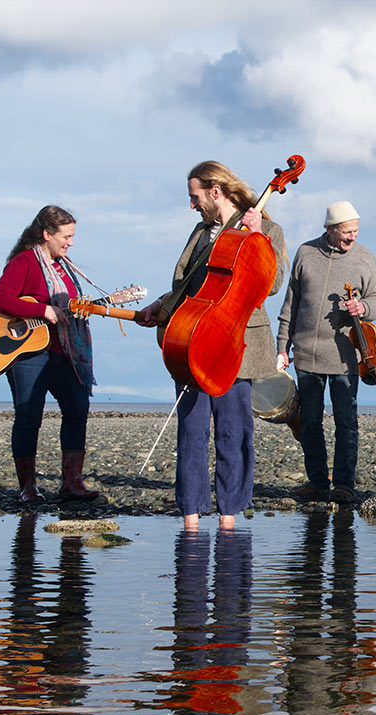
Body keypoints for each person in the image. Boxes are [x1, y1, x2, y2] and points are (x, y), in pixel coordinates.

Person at [137, 161, 287, 530]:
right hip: (195, 339)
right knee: (191, 427)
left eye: (195, 197)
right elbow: (187, 282)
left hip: (240, 341)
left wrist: (259, 238)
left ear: (215, 191)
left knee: (234, 431)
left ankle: (229, 515)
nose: (192, 205)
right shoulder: (201, 232)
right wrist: (161, 303)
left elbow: (273, 284)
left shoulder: (267, 228)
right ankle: (190, 513)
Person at [276, 201, 376, 504]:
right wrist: (281, 347)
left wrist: (363, 307)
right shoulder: (305, 253)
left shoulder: (365, 258)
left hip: (347, 356)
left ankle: (345, 484)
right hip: (307, 354)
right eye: (347, 232)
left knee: (346, 421)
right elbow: (290, 306)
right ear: (330, 229)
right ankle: (316, 482)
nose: (353, 237)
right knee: (309, 421)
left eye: (356, 231)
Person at [0, 205, 101, 503]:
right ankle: (27, 487)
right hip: (29, 354)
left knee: (78, 409)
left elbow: (70, 309)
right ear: (46, 234)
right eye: (66, 236)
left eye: (72, 236)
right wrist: (42, 309)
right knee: (29, 416)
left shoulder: (65, 268)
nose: (71, 242)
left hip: (64, 352)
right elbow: (1, 298)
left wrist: (93, 308)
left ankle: (71, 483)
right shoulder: (24, 262)